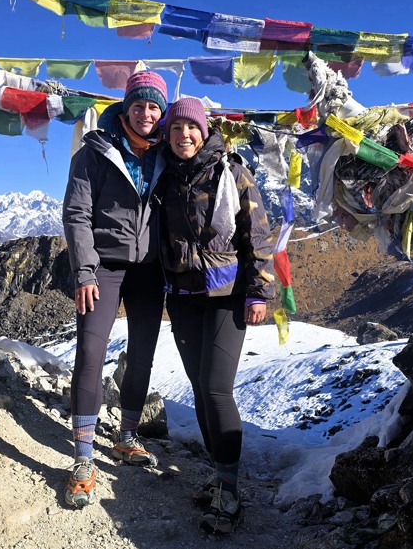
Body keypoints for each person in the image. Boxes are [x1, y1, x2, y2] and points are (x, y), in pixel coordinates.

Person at [153, 98, 276, 534]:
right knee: (198, 388)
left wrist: (259, 292)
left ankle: (230, 491)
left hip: (227, 294)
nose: (183, 135)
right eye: (175, 128)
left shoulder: (232, 173)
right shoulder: (163, 175)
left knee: (216, 387)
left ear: (204, 131)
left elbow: (257, 234)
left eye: (191, 127)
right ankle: (217, 472)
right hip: (183, 296)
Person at [60, 71, 169, 509]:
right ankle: (83, 457)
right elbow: (76, 213)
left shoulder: (168, 155)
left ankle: (127, 435)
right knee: (90, 350)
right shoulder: (94, 151)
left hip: (149, 271)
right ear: (125, 107)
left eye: (154, 106)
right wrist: (84, 271)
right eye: (139, 105)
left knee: (142, 352)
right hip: (102, 266)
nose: (146, 114)